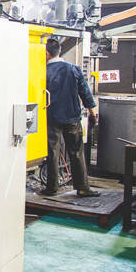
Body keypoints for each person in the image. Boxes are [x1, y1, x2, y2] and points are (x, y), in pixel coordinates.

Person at [42, 38, 99, 197]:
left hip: (51, 118)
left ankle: (52, 188)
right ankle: (83, 188)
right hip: (72, 117)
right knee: (77, 152)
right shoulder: (74, 69)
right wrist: (93, 113)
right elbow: (85, 93)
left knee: (52, 153)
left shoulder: (43, 71)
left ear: (46, 54)